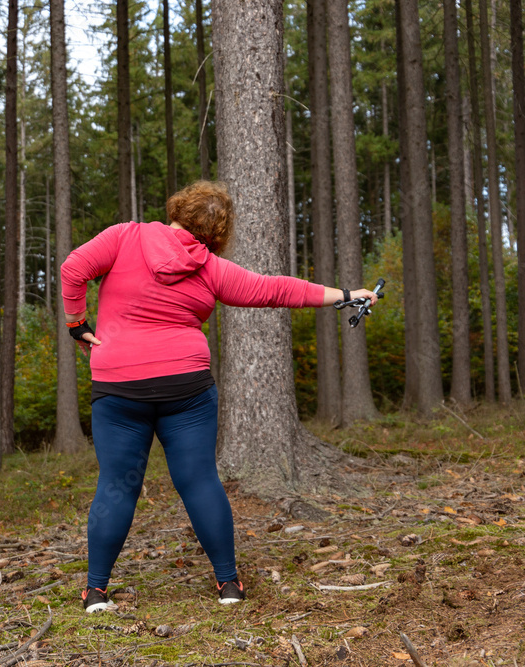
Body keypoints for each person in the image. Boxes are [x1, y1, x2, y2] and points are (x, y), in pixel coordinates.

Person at [59, 181, 378, 609]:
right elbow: (275, 290)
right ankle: (228, 584)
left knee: (116, 485)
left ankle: (95, 591)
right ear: (218, 232)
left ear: (178, 208)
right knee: (199, 481)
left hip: (119, 387)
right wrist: (346, 295)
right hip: (185, 388)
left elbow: (72, 269)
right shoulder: (210, 267)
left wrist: (77, 324)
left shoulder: (124, 236)